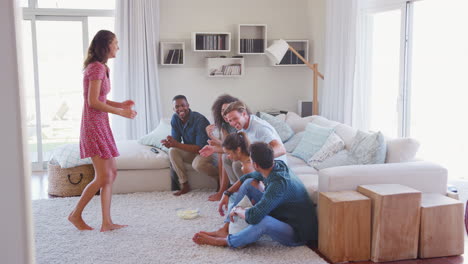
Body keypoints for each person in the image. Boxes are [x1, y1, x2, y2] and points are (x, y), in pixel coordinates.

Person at [68, 30, 137, 232]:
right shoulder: (96, 68)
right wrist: (120, 112)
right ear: (106, 45)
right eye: (115, 43)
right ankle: (75, 215)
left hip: (101, 124)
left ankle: (106, 222)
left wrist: (120, 104)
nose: (118, 47)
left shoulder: (103, 68)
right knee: (102, 176)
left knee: (111, 173)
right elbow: (92, 102)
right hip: (93, 126)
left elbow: (100, 98)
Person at [192, 142, 318, 248]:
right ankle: (225, 228)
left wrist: (237, 209)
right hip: (283, 215)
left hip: (298, 232)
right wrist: (227, 193)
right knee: (248, 183)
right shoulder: (276, 166)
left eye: (250, 159)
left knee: (264, 221)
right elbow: (249, 176)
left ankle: (227, 241)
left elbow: (254, 217)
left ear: (256, 165)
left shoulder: (278, 184)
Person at [161, 95, 218, 196]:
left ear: (188, 105)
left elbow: (200, 148)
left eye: (183, 105)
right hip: (191, 151)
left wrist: (176, 144)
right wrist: (169, 144)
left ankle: (220, 178)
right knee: (172, 151)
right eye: (177, 107)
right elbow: (176, 143)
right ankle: (184, 185)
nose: (180, 109)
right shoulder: (175, 118)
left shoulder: (199, 119)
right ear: (173, 109)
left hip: (206, 151)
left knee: (197, 164)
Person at [222, 101, 287, 184]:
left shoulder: (260, 127)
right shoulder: (241, 126)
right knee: (226, 158)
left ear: (244, 114)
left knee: (237, 165)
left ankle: (252, 190)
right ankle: (237, 190)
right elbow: (233, 149)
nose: (233, 123)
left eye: (235, 118)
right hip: (257, 159)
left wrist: (255, 159)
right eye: (230, 120)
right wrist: (214, 149)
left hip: (275, 164)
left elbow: (281, 149)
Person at [200, 94, 243, 201]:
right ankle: (224, 190)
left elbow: (232, 145)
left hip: (241, 150)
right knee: (222, 155)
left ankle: (226, 190)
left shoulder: (238, 122)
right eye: (223, 110)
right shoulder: (224, 125)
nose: (225, 113)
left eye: (228, 109)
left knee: (224, 155)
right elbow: (227, 144)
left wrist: (213, 138)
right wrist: (213, 140)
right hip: (232, 149)